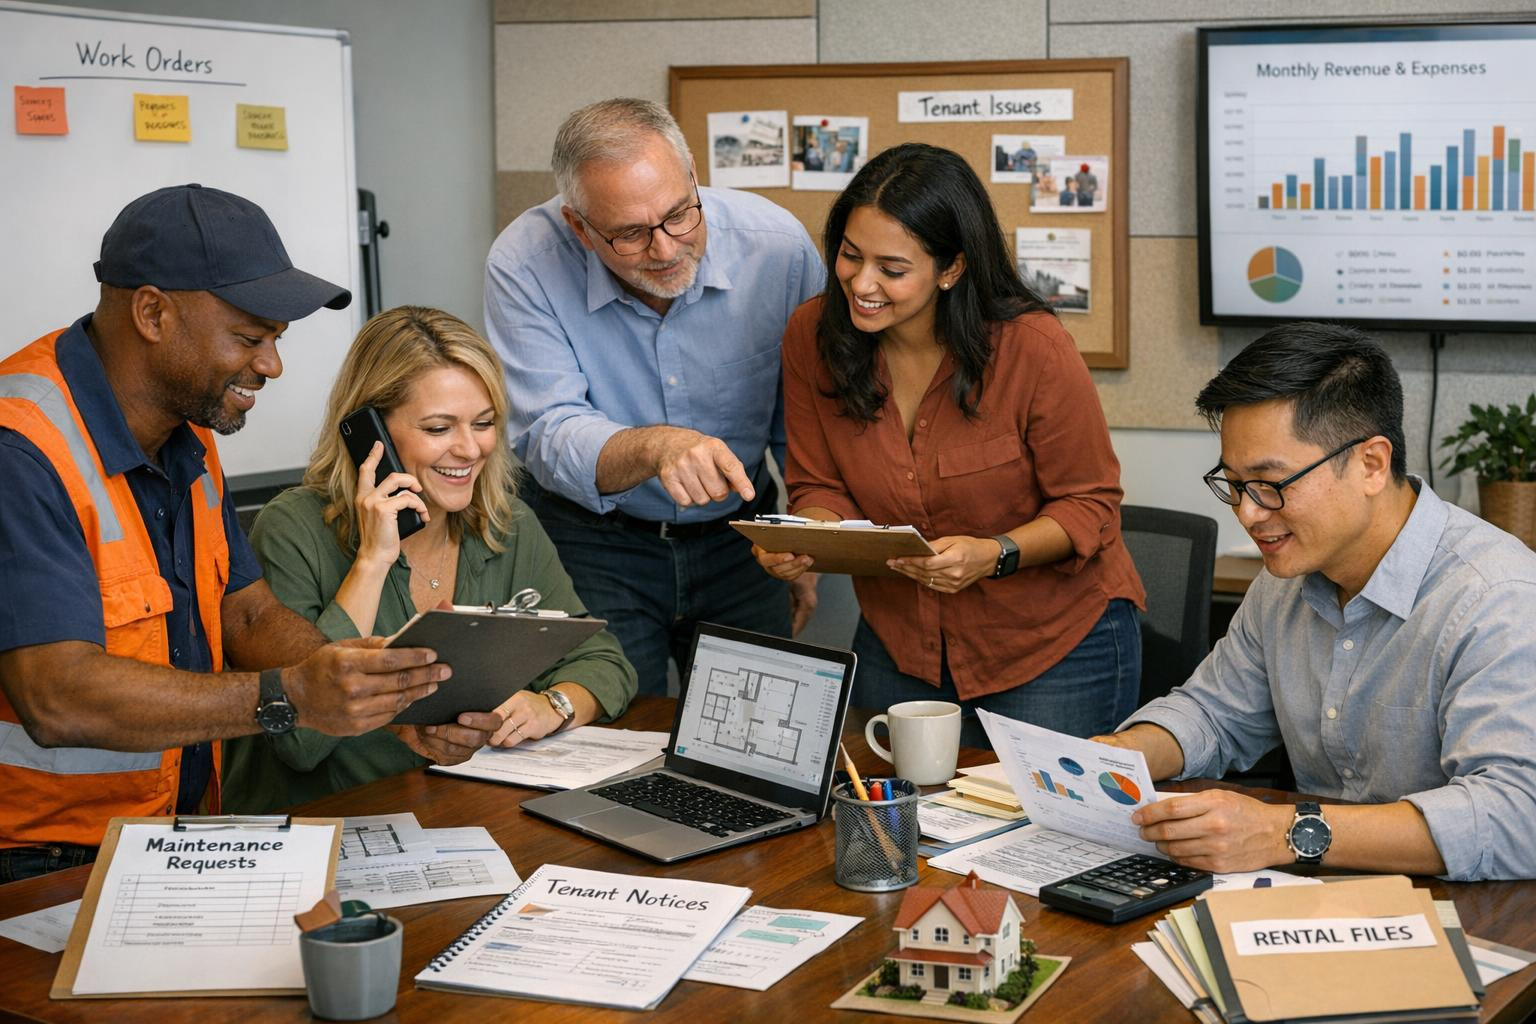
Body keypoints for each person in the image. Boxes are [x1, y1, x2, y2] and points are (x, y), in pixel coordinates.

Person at [0, 185, 477, 882]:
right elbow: (55, 694)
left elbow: (244, 610)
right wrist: (290, 697)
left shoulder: (187, 428)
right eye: (250, 338)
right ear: (154, 312)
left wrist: (377, 700)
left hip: (171, 833)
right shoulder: (22, 449)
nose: (272, 366)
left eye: (276, 341)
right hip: (36, 860)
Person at [1100, 323, 1536, 881]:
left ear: (1371, 465)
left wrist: (1284, 832)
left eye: (1269, 482)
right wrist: (1119, 755)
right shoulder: (1286, 577)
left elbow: (1516, 815)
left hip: (1464, 909)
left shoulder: (1495, 598)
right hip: (1312, 898)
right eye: (1233, 483)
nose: (1248, 512)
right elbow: (1215, 711)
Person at [757, 143, 1145, 748]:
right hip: (902, 640)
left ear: (951, 268)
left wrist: (992, 554)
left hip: (1049, 646)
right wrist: (806, 539)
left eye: (891, 268)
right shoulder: (812, 336)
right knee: (893, 827)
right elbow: (818, 485)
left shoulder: (1032, 347)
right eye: (850, 256)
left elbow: (1090, 505)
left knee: (1038, 832)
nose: (861, 283)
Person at [223, 307, 637, 812]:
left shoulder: (506, 523)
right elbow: (301, 743)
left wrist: (551, 705)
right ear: (370, 431)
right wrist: (373, 561)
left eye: (483, 424)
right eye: (440, 428)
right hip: (324, 829)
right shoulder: (293, 528)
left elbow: (604, 661)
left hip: (451, 815)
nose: (470, 449)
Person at [485, 98, 823, 695]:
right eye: (630, 234)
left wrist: (802, 531)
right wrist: (657, 448)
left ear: (693, 174)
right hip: (593, 539)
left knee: (758, 739)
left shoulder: (778, 250)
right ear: (579, 226)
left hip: (741, 537)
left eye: (679, 216)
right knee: (607, 745)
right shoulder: (525, 263)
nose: (666, 250)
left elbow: (803, 420)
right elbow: (546, 430)